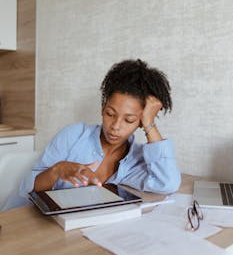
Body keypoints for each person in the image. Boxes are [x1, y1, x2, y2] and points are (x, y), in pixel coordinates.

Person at [18, 59, 180, 204]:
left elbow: (167, 183)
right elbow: (27, 189)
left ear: (140, 122)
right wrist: (57, 170)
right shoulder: (73, 136)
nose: (115, 126)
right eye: (110, 114)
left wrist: (150, 125)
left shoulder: (136, 160)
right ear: (103, 109)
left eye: (129, 120)